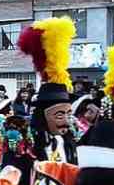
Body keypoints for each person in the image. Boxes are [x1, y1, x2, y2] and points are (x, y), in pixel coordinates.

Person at [19, 17, 79, 164]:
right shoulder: (29, 147)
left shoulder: (72, 145)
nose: (66, 121)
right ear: (43, 117)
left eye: (69, 115)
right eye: (59, 115)